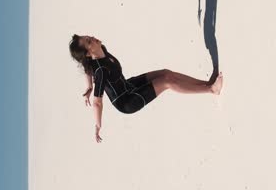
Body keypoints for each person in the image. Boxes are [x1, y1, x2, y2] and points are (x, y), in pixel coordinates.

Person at [68, 34, 223, 143]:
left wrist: (88, 85)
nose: (92, 37)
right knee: (167, 82)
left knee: (165, 73)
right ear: (89, 53)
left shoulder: (101, 51)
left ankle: (207, 83)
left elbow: (85, 66)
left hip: (128, 85)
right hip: (127, 101)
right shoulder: (100, 70)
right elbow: (97, 103)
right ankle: (211, 90)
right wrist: (98, 125)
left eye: (87, 36)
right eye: (89, 41)